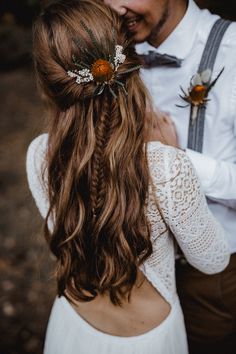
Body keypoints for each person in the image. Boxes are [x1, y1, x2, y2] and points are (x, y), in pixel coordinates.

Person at [26, 1, 230, 353]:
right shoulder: (102, 38)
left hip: (203, 291)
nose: (113, 6)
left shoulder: (38, 154)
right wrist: (166, 166)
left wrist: (183, 161)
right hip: (151, 316)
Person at [103, 0, 236, 353]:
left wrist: (174, 160)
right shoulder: (110, 52)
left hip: (211, 277)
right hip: (133, 267)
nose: (113, 8)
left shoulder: (233, 52)